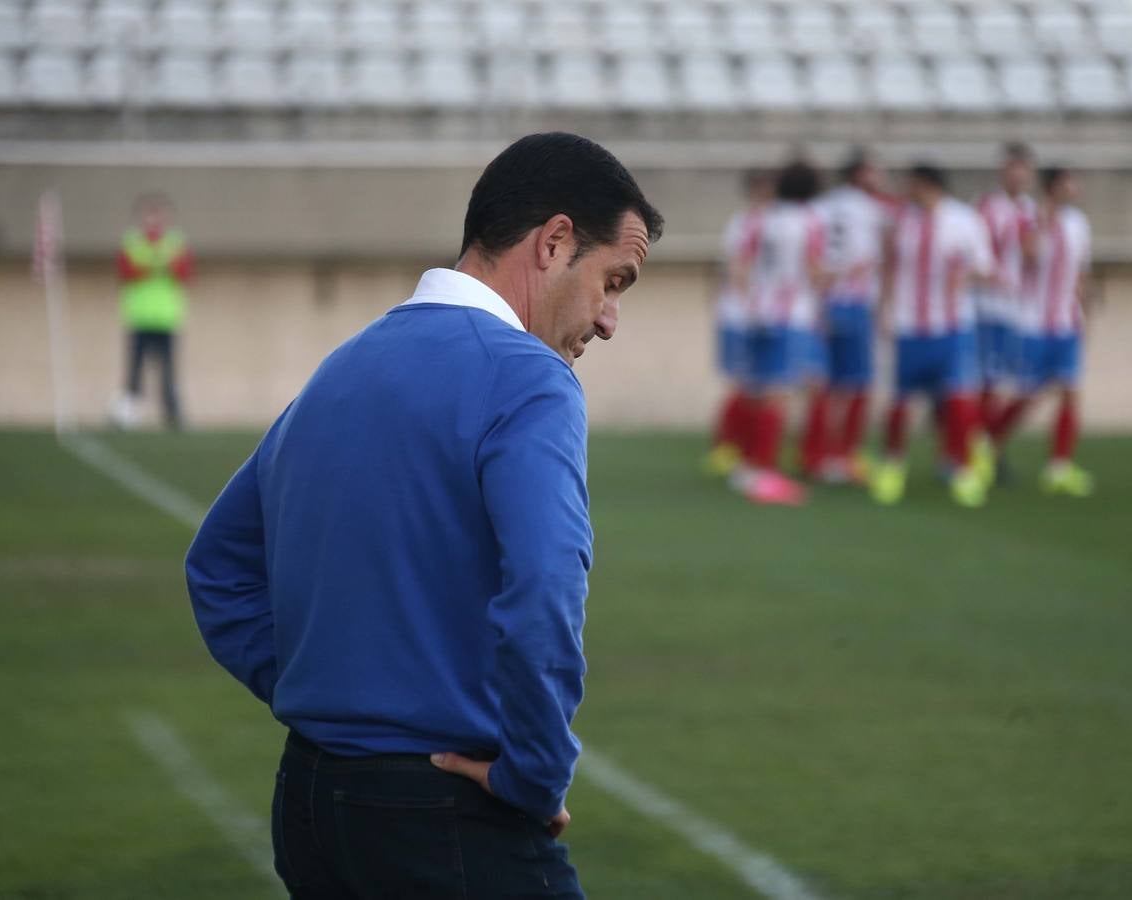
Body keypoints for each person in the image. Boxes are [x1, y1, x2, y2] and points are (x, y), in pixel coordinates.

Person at [184, 133, 663, 899]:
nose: (608, 319)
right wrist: (534, 776)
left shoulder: (347, 362)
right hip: (440, 813)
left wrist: (323, 702)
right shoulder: (528, 377)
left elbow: (217, 567)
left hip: (310, 799)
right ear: (554, 242)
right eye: (614, 281)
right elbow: (544, 585)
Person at [870, 164, 994, 508]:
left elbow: (985, 267)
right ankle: (892, 466)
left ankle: (962, 469)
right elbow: (889, 266)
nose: (907, 191)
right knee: (899, 403)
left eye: (912, 184)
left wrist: (965, 277)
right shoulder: (900, 221)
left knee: (958, 400)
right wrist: (884, 308)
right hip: (909, 326)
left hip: (953, 326)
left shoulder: (963, 220)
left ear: (928, 185)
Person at [986, 166, 1095, 497]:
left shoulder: (1079, 223)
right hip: (1032, 321)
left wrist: (1084, 310)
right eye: (1067, 182)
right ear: (1053, 187)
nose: (1074, 187)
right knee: (1028, 394)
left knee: (1070, 391)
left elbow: (1081, 271)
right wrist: (1045, 220)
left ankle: (1059, 467)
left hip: (1067, 322)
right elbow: (1028, 255)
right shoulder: (1030, 217)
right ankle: (988, 444)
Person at [728, 160, 828, 506]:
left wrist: (749, 305)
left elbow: (740, 267)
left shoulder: (762, 218)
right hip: (792, 316)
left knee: (756, 389)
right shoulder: (811, 220)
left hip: (759, 313)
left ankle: (747, 465)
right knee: (778, 394)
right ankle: (765, 473)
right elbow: (814, 270)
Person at [812, 148, 893, 483]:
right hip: (855, 303)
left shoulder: (821, 206)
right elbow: (872, 258)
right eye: (875, 172)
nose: (881, 178)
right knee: (858, 384)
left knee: (825, 385)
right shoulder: (872, 210)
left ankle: (816, 454)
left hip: (822, 303)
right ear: (859, 174)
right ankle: (844, 457)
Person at [704, 169, 775, 478]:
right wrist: (749, 307)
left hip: (750, 315)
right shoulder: (746, 224)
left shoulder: (770, 223)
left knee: (753, 386)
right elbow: (735, 269)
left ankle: (738, 451)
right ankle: (735, 452)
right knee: (752, 385)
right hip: (745, 317)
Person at [974, 143, 1037, 478]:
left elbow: (1035, 258)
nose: (1018, 175)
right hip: (989, 307)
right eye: (1013, 168)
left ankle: (988, 447)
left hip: (1021, 310)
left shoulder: (1032, 210)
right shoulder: (987, 207)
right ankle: (981, 452)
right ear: (1002, 172)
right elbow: (975, 250)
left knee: (1024, 384)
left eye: (1023, 169)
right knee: (988, 382)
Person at [111, 193, 193, 429]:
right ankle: (127, 414)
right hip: (139, 317)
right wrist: (159, 264)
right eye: (149, 214)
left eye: (158, 214)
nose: (154, 219)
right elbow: (127, 272)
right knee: (134, 371)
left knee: (168, 371)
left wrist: (153, 265)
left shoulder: (176, 242)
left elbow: (184, 272)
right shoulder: (132, 242)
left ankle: (173, 415)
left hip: (167, 318)